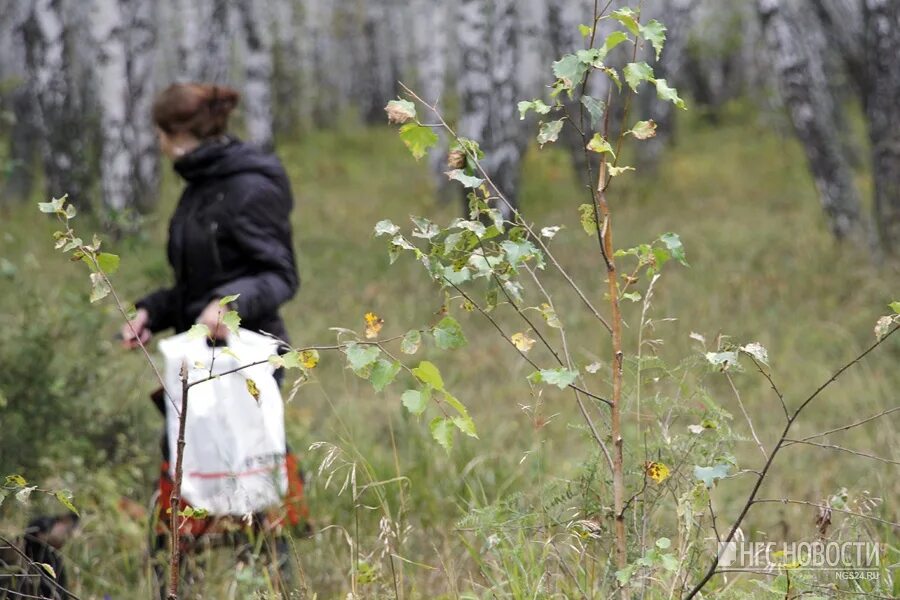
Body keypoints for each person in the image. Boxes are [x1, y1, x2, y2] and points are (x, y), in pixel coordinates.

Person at [120, 82, 307, 590]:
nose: (158, 143)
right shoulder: (201, 184)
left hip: (247, 363)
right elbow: (193, 287)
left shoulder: (250, 185)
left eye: (159, 133)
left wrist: (229, 304)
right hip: (199, 365)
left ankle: (274, 584)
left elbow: (280, 275)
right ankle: (178, 582)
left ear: (177, 132)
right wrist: (150, 311)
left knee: (253, 482)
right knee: (180, 479)